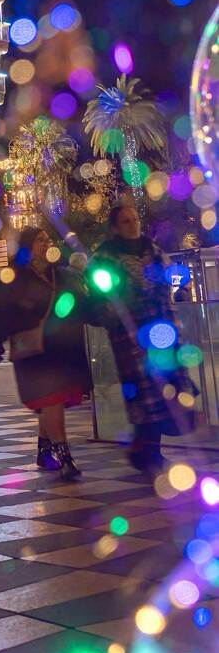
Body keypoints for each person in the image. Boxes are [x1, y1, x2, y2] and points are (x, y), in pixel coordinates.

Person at [0, 226, 97, 481]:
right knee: (51, 400)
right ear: (27, 246)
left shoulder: (58, 273)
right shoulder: (15, 276)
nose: (46, 244)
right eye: (40, 240)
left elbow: (78, 304)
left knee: (51, 401)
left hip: (58, 348)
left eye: (47, 240)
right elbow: (1, 313)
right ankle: (64, 455)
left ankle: (45, 451)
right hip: (32, 350)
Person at [93, 202, 197, 474]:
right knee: (142, 392)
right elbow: (101, 294)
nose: (133, 224)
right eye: (126, 221)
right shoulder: (107, 256)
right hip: (129, 335)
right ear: (115, 227)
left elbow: (166, 287)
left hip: (159, 329)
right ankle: (145, 452)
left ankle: (150, 451)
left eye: (134, 219)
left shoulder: (152, 250)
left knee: (162, 388)